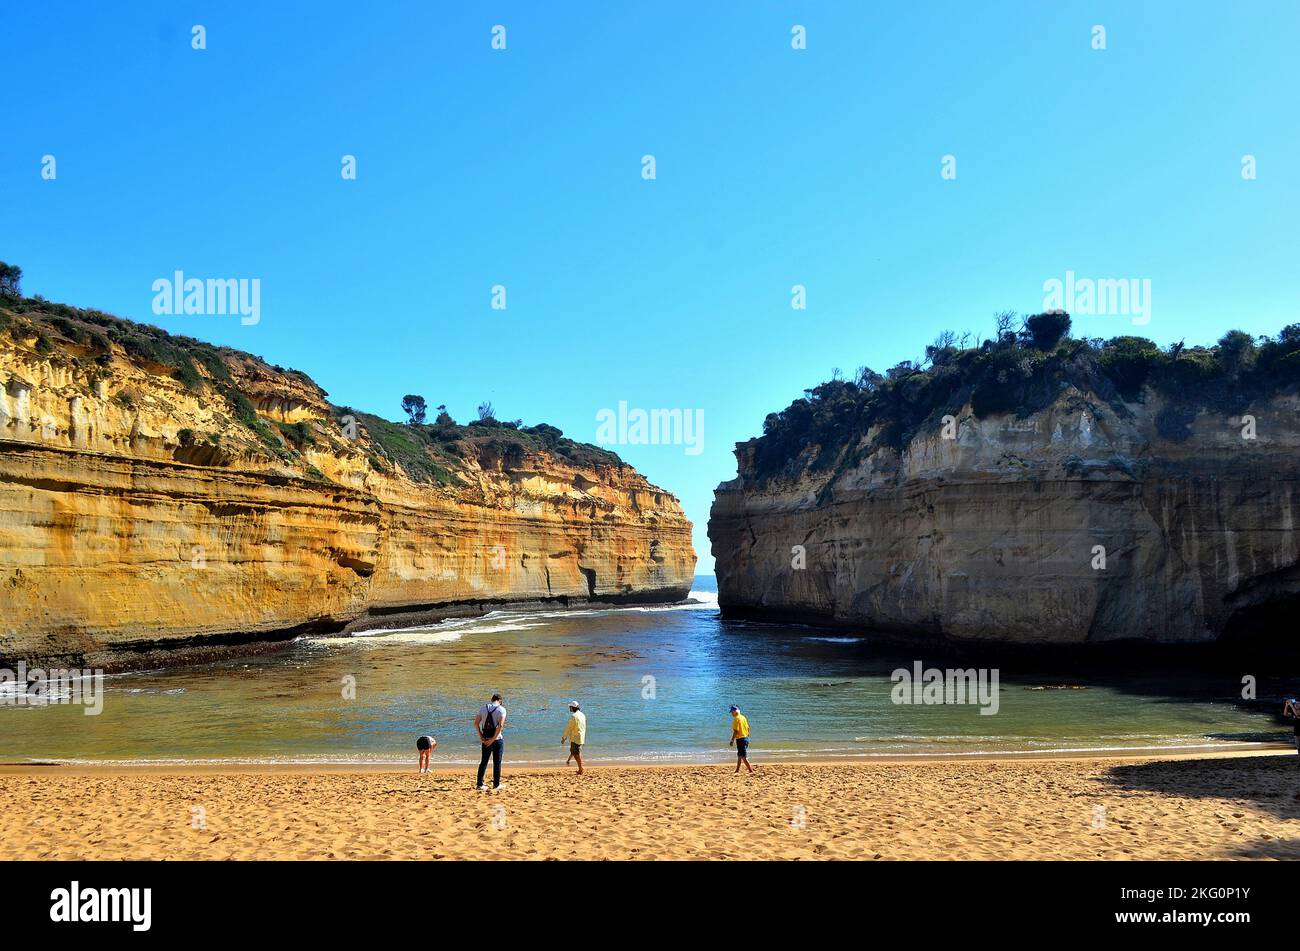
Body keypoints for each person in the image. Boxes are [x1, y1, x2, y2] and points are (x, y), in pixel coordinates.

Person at [475, 693, 507, 790]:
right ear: (500, 701)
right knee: (497, 762)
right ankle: (496, 784)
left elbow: (476, 723)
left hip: (485, 738)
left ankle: (480, 784)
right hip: (497, 740)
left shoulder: (483, 708)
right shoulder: (502, 709)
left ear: (492, 699)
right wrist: (493, 739)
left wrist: (481, 736)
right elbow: (500, 726)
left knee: (484, 761)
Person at [561, 700, 587, 775]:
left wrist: (564, 737)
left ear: (572, 708)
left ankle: (581, 769)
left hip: (575, 737)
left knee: (575, 754)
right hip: (581, 736)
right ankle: (580, 768)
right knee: (577, 753)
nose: (569, 708)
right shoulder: (582, 715)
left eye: (570, 707)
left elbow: (569, 728)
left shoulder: (574, 716)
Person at [729, 704, 754, 774]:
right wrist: (747, 735)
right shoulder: (743, 717)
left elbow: (736, 731)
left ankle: (751, 770)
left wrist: (732, 740)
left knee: (743, 756)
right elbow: (748, 728)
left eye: (732, 712)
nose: (731, 714)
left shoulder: (736, 719)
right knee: (739, 755)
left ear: (735, 711)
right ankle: (737, 770)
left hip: (741, 739)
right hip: (745, 738)